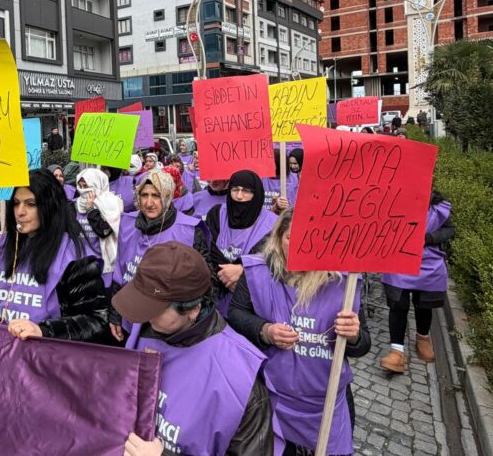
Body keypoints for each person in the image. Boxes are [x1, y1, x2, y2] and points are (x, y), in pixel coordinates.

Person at [228, 210, 371, 456]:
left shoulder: (341, 283)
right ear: (278, 237)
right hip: (272, 398)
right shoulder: (257, 272)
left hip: (325, 403)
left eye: (308, 238)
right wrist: (265, 330)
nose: (298, 246)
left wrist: (354, 336)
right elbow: (236, 314)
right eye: (290, 238)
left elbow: (362, 344)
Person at [114, 243, 274, 455]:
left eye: (154, 308)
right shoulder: (143, 329)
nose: (145, 316)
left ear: (193, 309)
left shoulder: (240, 380)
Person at [0, 168, 110, 343]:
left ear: (49, 206)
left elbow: (96, 322)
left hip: (47, 362)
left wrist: (44, 331)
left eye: (31, 204)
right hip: (2, 353)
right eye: (16, 203)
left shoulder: (75, 256)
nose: (20, 212)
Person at [110, 170, 208, 342]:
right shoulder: (127, 223)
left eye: (156, 195)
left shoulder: (190, 231)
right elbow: (119, 271)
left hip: (167, 323)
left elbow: (203, 283)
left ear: (168, 196)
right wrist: (115, 313)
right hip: (131, 313)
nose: (149, 203)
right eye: (144, 195)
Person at [379, 190, 454, 373]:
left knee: (424, 305)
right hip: (399, 262)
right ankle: (397, 351)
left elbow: (450, 229)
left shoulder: (438, 206)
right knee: (398, 305)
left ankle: (422, 338)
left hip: (428, 263)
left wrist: (428, 238)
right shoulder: (393, 200)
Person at [205, 170, 279, 315]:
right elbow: (209, 249)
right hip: (215, 301)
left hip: (252, 305)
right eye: (235, 190)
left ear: (256, 194)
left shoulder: (272, 223)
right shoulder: (217, 213)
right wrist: (227, 274)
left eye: (246, 191)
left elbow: (271, 260)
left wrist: (243, 272)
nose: (239, 196)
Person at [74, 167, 124, 282]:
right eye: (80, 186)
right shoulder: (74, 205)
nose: (82, 190)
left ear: (98, 185)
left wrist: (91, 210)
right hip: (78, 264)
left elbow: (104, 231)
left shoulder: (112, 205)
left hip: (102, 265)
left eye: (86, 186)